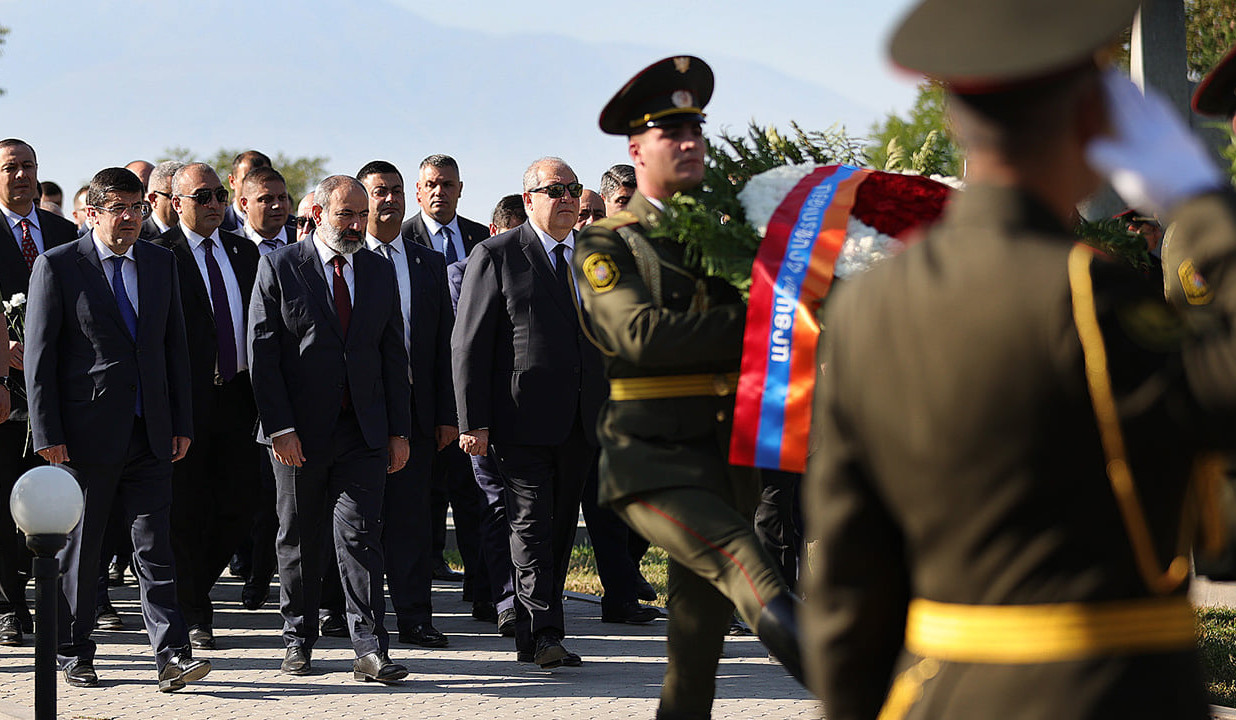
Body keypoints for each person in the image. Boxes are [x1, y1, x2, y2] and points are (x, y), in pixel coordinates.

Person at [800, 1, 1236, 718]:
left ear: (953, 119)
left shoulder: (870, 309)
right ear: (1093, 119)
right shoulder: (1098, 302)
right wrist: (1199, 203)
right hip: (1110, 692)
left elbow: (850, 582)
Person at [573, 56, 804, 718]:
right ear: (636, 149)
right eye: (671, 134)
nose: (689, 143)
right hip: (651, 459)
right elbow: (638, 334)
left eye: (695, 131)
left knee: (697, 644)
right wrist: (761, 317)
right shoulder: (608, 241)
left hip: (727, 455)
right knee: (745, 562)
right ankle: (848, 680)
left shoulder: (734, 234)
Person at [25, 167, 209, 692]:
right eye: (118, 210)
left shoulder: (159, 262)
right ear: (93, 212)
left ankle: (173, 655)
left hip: (151, 432)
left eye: (136, 209)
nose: (129, 219)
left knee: (155, 546)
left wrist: (179, 421)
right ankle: (73, 651)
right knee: (82, 552)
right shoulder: (58, 266)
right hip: (84, 436)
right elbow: (41, 356)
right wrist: (48, 433)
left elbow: (175, 348)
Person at [248, 174, 411, 683]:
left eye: (362, 215)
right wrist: (280, 429)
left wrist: (398, 430)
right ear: (318, 213)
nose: (358, 225)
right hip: (299, 434)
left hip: (362, 431)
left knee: (363, 536)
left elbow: (391, 353)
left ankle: (369, 648)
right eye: (347, 215)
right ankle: (297, 639)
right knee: (298, 538)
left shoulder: (378, 270)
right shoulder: (279, 265)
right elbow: (264, 355)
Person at [453, 157, 606, 668]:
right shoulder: (496, 253)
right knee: (530, 524)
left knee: (560, 528)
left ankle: (535, 629)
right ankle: (544, 634)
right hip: (520, 420)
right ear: (529, 200)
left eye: (573, 189)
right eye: (554, 189)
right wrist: (472, 420)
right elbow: (469, 344)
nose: (566, 198)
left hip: (582, 421)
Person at [152, 162, 261, 651]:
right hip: (185, 401)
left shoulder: (244, 251)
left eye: (220, 195)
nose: (215, 204)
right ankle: (194, 611)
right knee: (187, 510)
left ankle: (194, 590)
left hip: (240, 397)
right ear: (177, 204)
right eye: (203, 196)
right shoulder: (158, 256)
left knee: (243, 504)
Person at [359, 159, 459, 649]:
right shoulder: (345, 260)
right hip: (356, 415)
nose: (390, 199)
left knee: (413, 521)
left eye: (397, 190)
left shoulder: (427, 262)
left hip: (417, 415)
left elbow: (443, 346)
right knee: (357, 523)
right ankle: (352, 617)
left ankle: (415, 617)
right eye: (380, 191)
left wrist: (445, 414)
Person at [0, 138, 77, 648]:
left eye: (29, 166)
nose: (22, 175)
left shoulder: (64, 233)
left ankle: (59, 597)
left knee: (54, 493)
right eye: (10, 167)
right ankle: (10, 602)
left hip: (58, 390)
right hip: (5, 390)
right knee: (7, 491)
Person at [402, 153, 487, 590]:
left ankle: (481, 584)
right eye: (431, 184)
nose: (440, 191)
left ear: (460, 188)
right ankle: (429, 566)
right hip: (423, 382)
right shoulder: (401, 239)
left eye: (448, 184)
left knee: (470, 489)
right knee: (424, 490)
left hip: (470, 382)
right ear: (419, 191)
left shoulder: (480, 239)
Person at [221, 150, 272, 232]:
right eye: (248, 181)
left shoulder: (291, 227)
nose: (256, 188)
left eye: (263, 181)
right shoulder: (217, 226)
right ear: (232, 181)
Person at [141, 161, 184, 240]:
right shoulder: (136, 238)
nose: (183, 203)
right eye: (175, 198)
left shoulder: (203, 233)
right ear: (153, 199)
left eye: (186, 197)